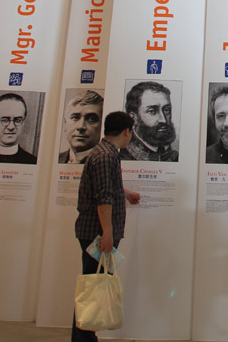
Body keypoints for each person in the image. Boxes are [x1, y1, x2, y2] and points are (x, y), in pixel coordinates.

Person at [73, 111, 141, 342]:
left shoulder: (106, 153)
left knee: (92, 286)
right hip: (97, 232)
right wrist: (108, 233)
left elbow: (105, 186)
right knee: (92, 288)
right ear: (126, 131)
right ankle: (83, 338)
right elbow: (103, 198)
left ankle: (85, 337)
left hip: (97, 231)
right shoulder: (105, 156)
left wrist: (125, 192)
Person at [121, 81, 178, 162]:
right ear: (133, 118)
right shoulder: (123, 156)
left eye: (166, 110)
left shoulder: (174, 157)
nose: (163, 120)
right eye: (152, 111)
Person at [0, 92, 37, 164]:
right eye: (5, 120)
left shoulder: (33, 161)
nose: (11, 127)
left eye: (17, 120)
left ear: (23, 123)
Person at [59, 90, 103, 164]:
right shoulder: (53, 159)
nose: (81, 126)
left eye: (92, 119)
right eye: (75, 118)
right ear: (65, 123)